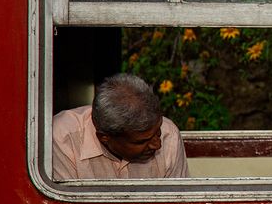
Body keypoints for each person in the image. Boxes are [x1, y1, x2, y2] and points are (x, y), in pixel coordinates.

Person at [52, 73, 189, 180]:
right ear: (104, 137)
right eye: (141, 141)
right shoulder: (62, 137)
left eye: (158, 132)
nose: (157, 144)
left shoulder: (169, 134)